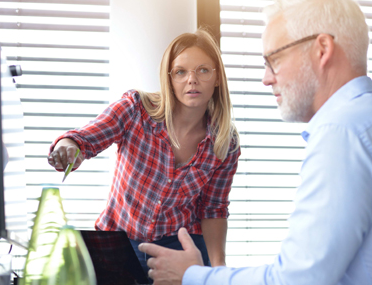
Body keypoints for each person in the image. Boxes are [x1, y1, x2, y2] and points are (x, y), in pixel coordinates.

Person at [139, 0, 372, 285]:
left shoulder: (344, 133)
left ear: (322, 49)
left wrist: (193, 278)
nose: (266, 79)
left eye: (274, 60)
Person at [47, 29, 240, 271]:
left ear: (217, 77)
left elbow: (213, 209)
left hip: (180, 250)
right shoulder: (136, 109)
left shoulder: (225, 142)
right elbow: (84, 140)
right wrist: (68, 147)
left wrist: (219, 269)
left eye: (203, 70)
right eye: (181, 72)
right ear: (169, 78)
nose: (192, 80)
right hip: (118, 245)